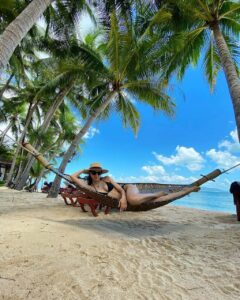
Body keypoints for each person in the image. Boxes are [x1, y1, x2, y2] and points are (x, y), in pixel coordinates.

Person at [70, 162, 200, 211]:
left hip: (128, 189)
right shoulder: (90, 188)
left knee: (133, 200)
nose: (96, 174)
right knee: (156, 201)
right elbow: (73, 177)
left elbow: (120, 189)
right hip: (131, 198)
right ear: (90, 174)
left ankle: (157, 193)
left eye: (98, 172)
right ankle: (189, 189)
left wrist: (123, 199)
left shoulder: (107, 179)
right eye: (93, 172)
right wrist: (83, 169)